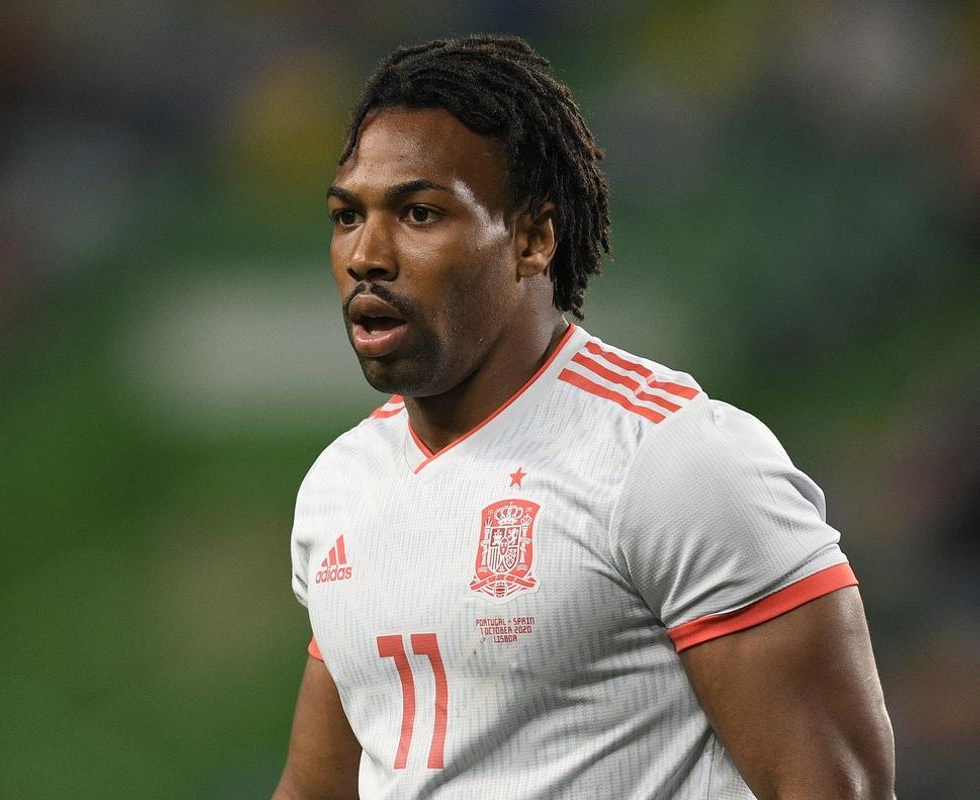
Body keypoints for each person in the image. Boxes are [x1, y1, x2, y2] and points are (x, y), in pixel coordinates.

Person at [273, 35, 895, 800]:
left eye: (420, 213)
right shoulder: (339, 486)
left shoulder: (672, 459)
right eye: (346, 216)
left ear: (533, 239)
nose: (366, 254)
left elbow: (837, 788)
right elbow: (317, 788)